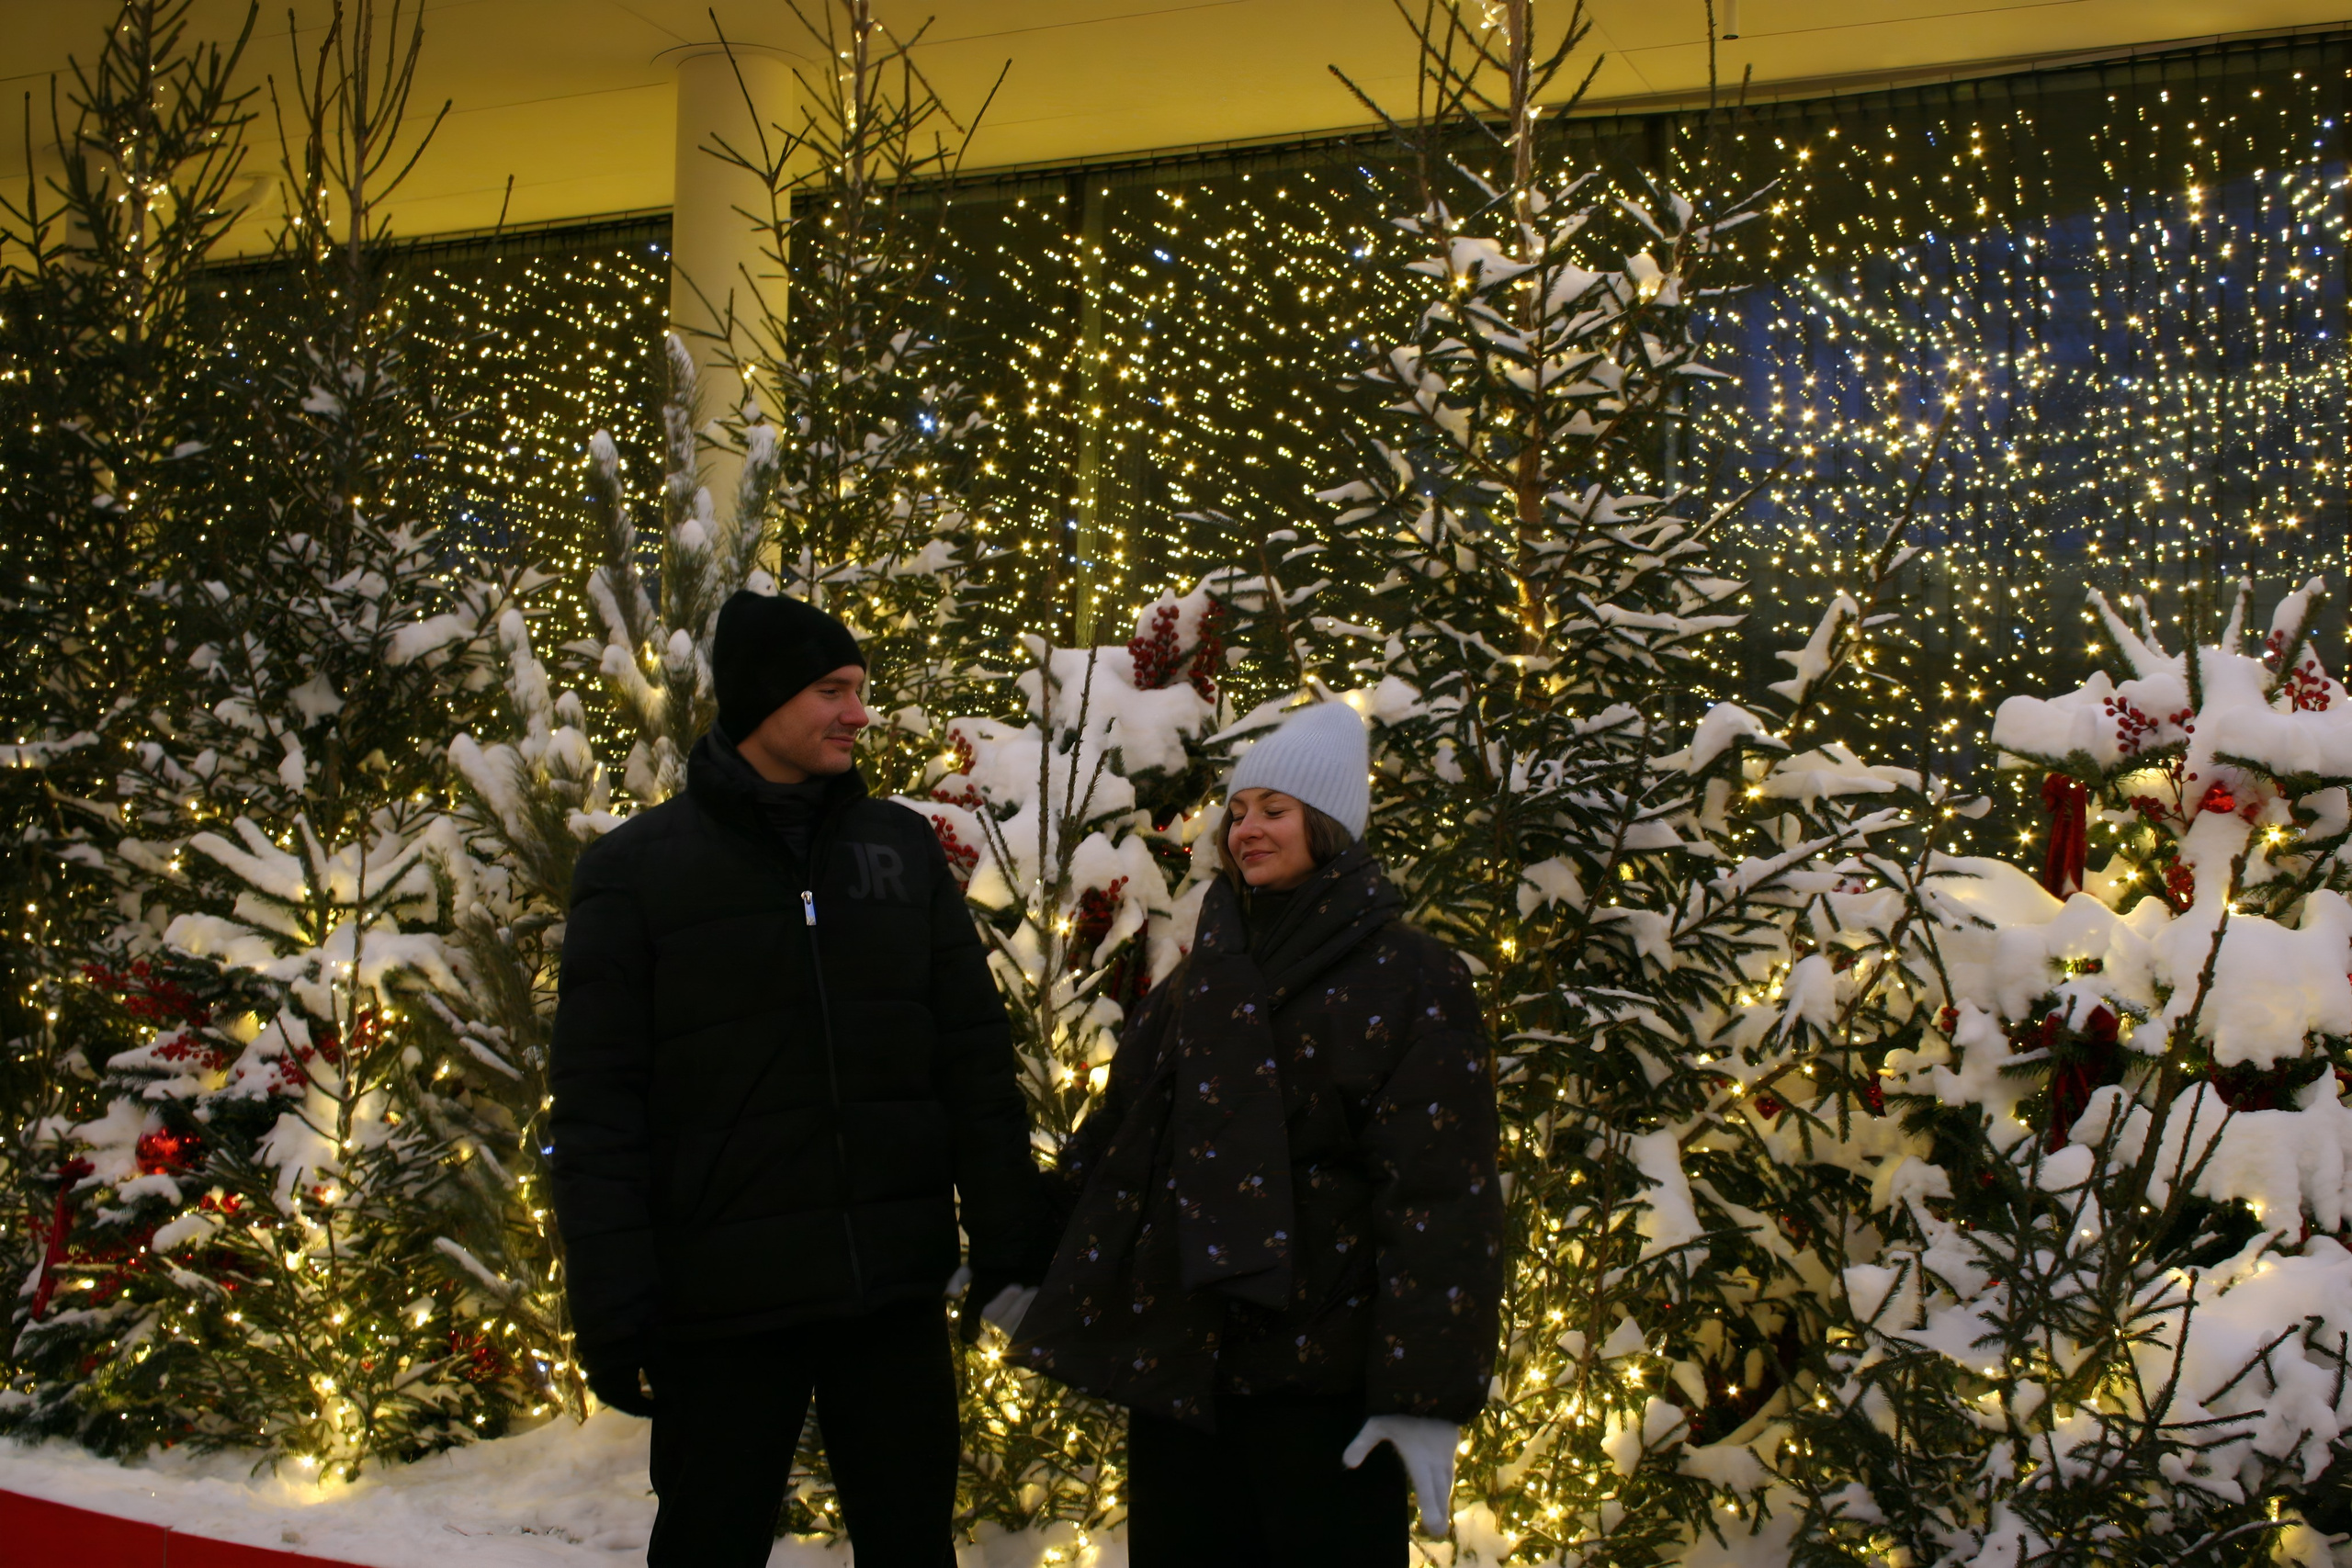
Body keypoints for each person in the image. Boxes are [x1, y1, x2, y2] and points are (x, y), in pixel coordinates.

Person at [548, 590, 1048, 1568]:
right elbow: (598, 1106)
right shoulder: (634, 871)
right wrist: (613, 1301)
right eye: (832, 690)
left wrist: (1008, 1238)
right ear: (761, 697)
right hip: (722, 1307)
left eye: (859, 688)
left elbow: (973, 1062)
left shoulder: (898, 849)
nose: (858, 712)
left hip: (890, 1294)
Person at [1014, 699, 1505, 1568]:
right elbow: (1121, 1141)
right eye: (1238, 811)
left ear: (1327, 824)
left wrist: (1423, 1393)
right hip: (1185, 1373)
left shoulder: (1410, 975)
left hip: (1322, 1389)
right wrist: (1021, 1255)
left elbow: (1439, 1198)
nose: (1246, 829)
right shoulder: (1203, 973)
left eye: (1274, 810)